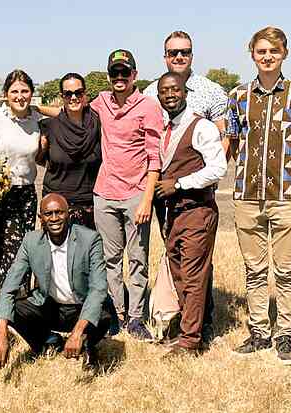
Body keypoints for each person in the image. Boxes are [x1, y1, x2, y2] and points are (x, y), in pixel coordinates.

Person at [37, 50, 162, 341]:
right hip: (104, 194)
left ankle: (136, 317)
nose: (120, 78)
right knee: (109, 260)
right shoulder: (101, 102)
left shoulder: (148, 106)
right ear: (109, 76)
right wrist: (30, 110)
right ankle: (116, 314)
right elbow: (71, 110)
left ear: (134, 74)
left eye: (125, 72)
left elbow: (154, 156)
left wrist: (147, 198)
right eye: (115, 73)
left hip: (136, 195)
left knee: (139, 259)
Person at [225, 27, 291, 365]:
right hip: (246, 195)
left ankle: (285, 333)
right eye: (261, 51)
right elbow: (233, 143)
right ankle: (258, 331)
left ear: (285, 53)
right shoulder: (237, 96)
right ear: (252, 54)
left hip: (286, 196)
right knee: (254, 267)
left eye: (274, 51)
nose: (267, 57)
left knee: (284, 270)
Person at [143, 31, 228, 339]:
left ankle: (193, 335)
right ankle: (185, 324)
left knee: (194, 271)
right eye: (164, 91)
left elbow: (218, 166)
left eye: (175, 90)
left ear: (185, 93)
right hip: (169, 210)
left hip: (195, 206)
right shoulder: (163, 124)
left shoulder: (201, 125)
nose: (169, 95)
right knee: (178, 266)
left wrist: (179, 184)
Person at [0, 194, 111, 369]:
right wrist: (1, 334)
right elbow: (8, 287)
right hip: (51, 307)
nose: (54, 218)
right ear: (40, 218)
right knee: (16, 308)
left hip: (81, 307)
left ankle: (87, 345)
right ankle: (49, 342)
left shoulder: (90, 239)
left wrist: (78, 332)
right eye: (48, 214)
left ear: (68, 214)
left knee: (102, 315)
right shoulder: (31, 241)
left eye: (59, 212)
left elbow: (98, 289)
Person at [0, 70, 41, 289]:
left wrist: (39, 108)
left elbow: (63, 112)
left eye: (25, 91)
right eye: (14, 91)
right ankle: (4, 300)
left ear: (32, 93)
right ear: (5, 94)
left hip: (26, 193)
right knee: (1, 248)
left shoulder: (36, 119)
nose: (20, 96)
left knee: (23, 249)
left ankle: (21, 298)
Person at [36, 73, 102, 230]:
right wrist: (42, 148)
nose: (73, 97)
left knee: (87, 252)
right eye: (68, 94)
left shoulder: (97, 124)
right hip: (56, 204)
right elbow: (39, 159)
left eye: (78, 93)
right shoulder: (49, 126)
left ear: (85, 94)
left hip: (89, 203)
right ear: (62, 97)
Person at [143, 31, 228, 135]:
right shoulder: (149, 94)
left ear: (191, 56)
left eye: (185, 52)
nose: (179, 57)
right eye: (173, 53)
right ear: (165, 57)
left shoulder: (213, 92)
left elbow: (224, 137)